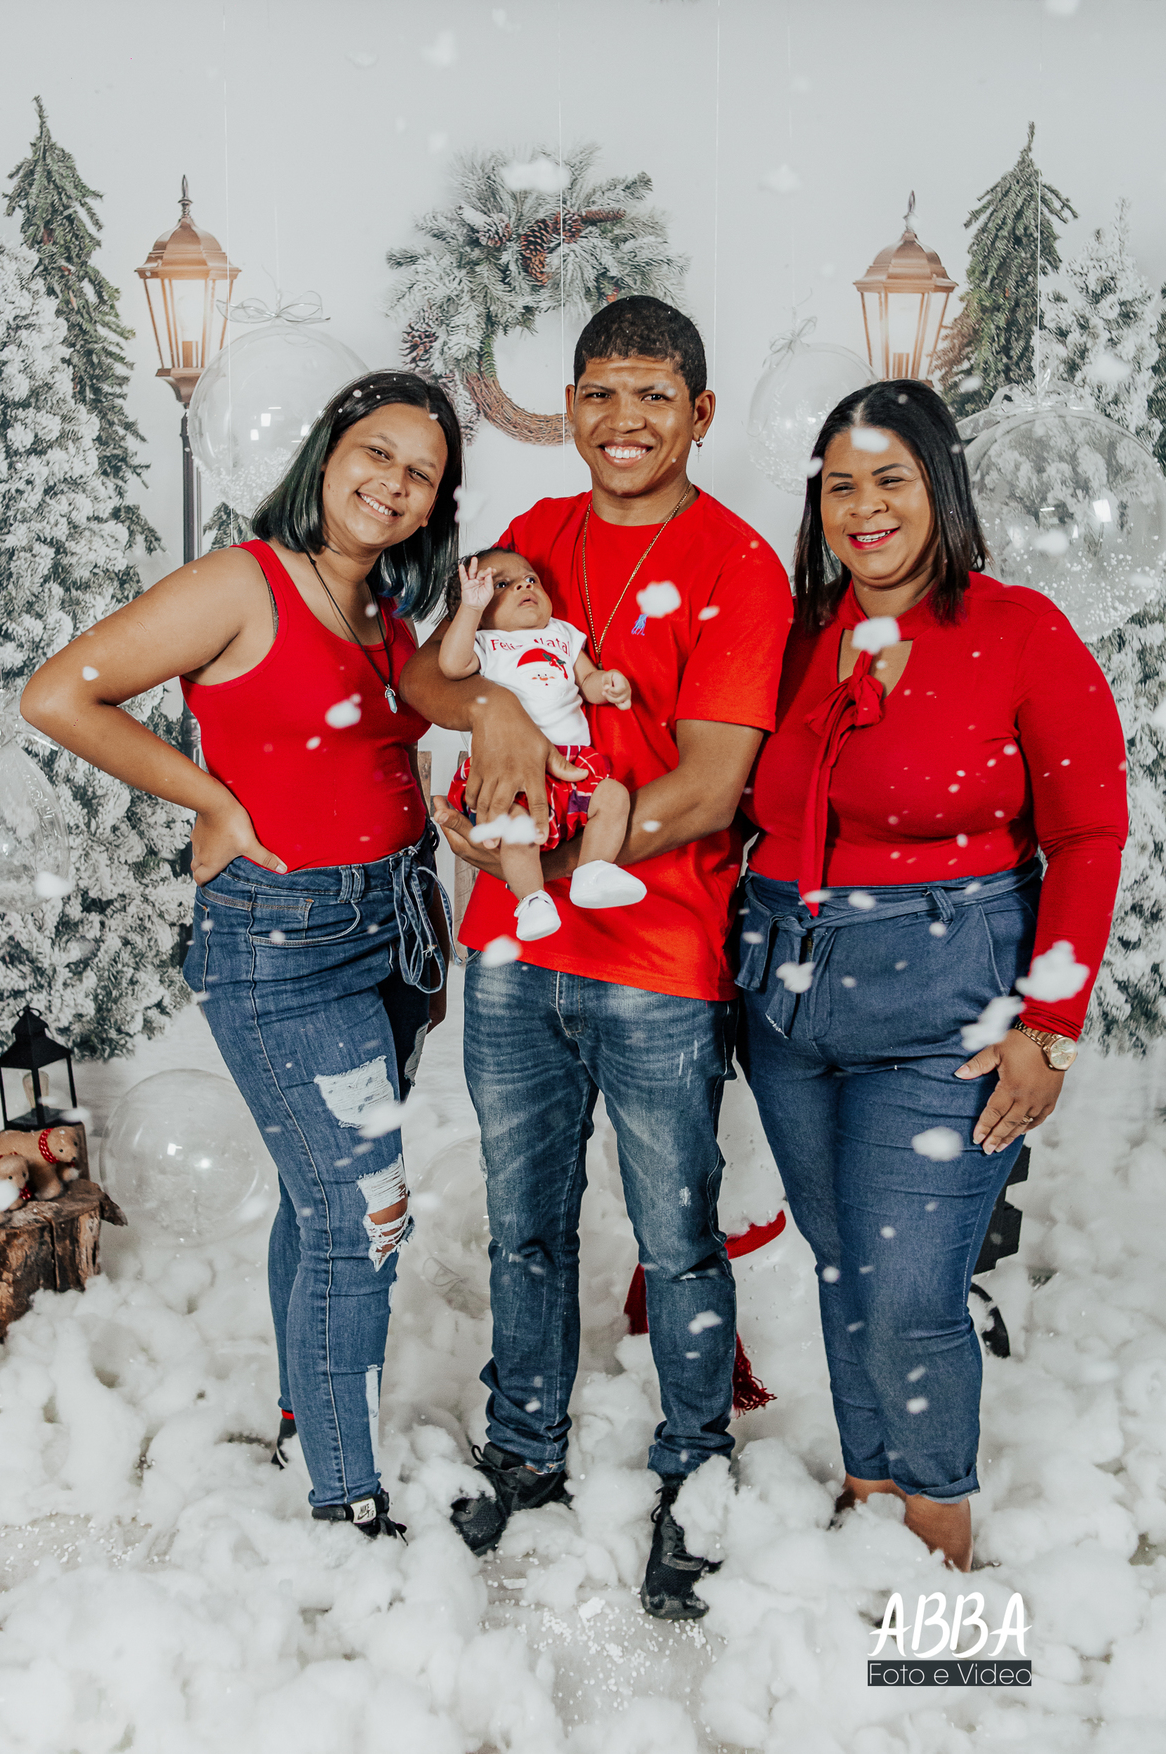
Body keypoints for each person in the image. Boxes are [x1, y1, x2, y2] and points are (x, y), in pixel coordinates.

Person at [401, 296, 793, 1619]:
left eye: (654, 394)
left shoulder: (738, 566)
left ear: (700, 413)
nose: (625, 419)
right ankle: (526, 1447)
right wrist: (498, 711)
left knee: (676, 1235)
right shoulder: (537, 535)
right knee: (523, 1222)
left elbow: (715, 782)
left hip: (657, 952)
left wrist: (555, 856)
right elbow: (429, 680)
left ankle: (695, 1466)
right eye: (602, 392)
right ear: (568, 407)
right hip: (513, 953)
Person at [22, 370, 460, 1540]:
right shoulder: (244, 581)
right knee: (365, 1211)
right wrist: (211, 799)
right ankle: (344, 1497)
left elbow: (389, 749)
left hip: (395, 929)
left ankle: (306, 1418)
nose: (394, 483)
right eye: (376, 452)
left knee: (324, 1203)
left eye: (421, 473)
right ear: (328, 452)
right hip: (286, 941)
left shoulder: (385, 611)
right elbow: (59, 694)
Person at [736, 379, 1127, 1571]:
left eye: (890, 478)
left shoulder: (1020, 631)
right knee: (845, 1263)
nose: (864, 507)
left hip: (944, 1002)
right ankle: (869, 1494)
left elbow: (1088, 834)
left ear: (940, 488)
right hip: (788, 998)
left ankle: (939, 1543)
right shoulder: (798, 635)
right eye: (840, 485)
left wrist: (1049, 1024)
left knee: (910, 1289)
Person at [440, 548, 644, 940]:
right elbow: (451, 665)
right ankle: (532, 900)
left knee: (615, 797)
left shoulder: (562, 635)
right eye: (503, 585)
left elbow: (587, 680)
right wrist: (470, 610)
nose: (524, 585)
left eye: (530, 579)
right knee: (517, 829)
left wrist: (608, 684)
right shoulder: (486, 641)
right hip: (509, 771)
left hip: (572, 762)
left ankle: (592, 872)